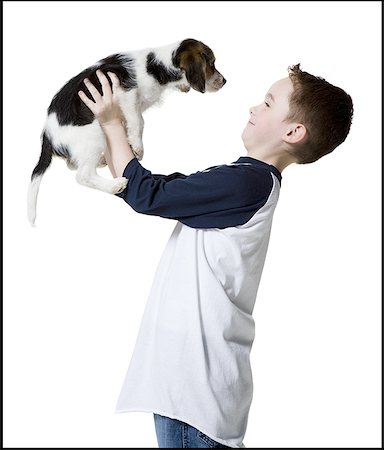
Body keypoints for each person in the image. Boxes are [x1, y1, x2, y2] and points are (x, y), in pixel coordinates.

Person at [78, 64, 353, 448]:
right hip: (193, 390)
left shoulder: (247, 182)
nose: (254, 108)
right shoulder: (245, 181)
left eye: (268, 103)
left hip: (194, 394)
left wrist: (112, 123)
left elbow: (146, 195)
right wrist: (112, 127)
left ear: (293, 132)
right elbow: (144, 187)